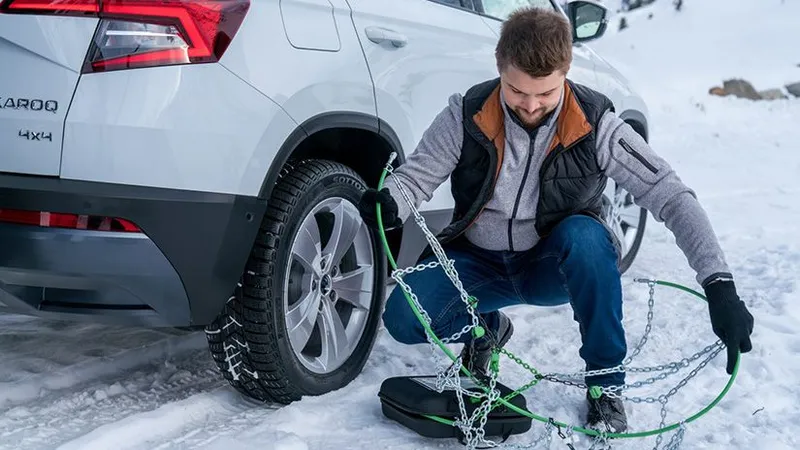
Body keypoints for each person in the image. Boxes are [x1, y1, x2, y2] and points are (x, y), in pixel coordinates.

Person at [357, 7, 754, 434]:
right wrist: (391, 200)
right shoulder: (466, 114)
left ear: (565, 71)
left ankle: (604, 386)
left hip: (551, 266)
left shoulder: (597, 124)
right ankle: (485, 328)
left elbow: (671, 195)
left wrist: (718, 284)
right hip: (478, 262)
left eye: (545, 93)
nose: (530, 105)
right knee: (402, 318)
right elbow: (415, 176)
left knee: (586, 237)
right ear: (499, 67)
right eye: (516, 90)